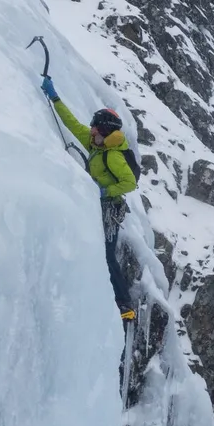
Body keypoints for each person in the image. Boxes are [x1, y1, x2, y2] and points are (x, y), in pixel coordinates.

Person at [42, 76, 137, 319]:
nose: (91, 127)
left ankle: (124, 305)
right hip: (98, 205)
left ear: (104, 130)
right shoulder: (95, 144)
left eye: (95, 125)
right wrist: (54, 97)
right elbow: (71, 123)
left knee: (107, 254)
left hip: (109, 210)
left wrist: (106, 191)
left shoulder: (112, 155)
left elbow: (130, 183)